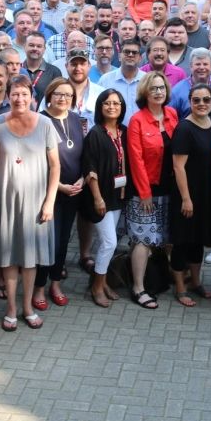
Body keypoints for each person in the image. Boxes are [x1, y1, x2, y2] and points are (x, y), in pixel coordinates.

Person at [0, 75, 59, 331]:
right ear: (8, 96)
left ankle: (28, 306)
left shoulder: (45, 124)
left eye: (24, 94)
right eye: (15, 94)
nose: (19, 99)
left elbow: (55, 166)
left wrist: (50, 201)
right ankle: (10, 307)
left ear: (33, 98)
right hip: (5, 199)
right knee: (9, 256)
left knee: (30, 257)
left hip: (36, 202)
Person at [124, 72, 179, 309]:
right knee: (143, 239)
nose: (158, 92)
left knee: (167, 238)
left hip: (170, 187)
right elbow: (135, 159)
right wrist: (145, 192)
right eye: (154, 88)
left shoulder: (172, 114)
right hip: (146, 190)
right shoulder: (137, 120)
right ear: (145, 92)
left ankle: (166, 278)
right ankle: (138, 287)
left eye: (162, 88)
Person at [33, 78, 87, 310]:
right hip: (49, 193)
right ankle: (38, 288)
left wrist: (82, 179)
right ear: (49, 95)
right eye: (58, 94)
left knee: (64, 241)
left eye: (68, 95)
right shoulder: (41, 121)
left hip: (73, 192)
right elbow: (35, 162)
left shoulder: (75, 119)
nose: (63, 98)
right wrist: (59, 187)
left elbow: (83, 154)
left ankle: (55, 284)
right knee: (48, 243)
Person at [169, 83, 211, 306]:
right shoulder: (184, 129)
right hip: (186, 195)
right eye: (196, 100)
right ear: (189, 102)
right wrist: (186, 199)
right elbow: (178, 167)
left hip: (206, 194)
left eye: (206, 100)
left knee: (198, 241)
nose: (201, 104)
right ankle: (180, 289)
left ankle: (196, 282)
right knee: (182, 241)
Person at [82, 89, 130, 308]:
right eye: (107, 103)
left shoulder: (125, 131)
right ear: (100, 107)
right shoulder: (95, 133)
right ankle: (96, 287)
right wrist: (97, 198)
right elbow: (89, 168)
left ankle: (102, 282)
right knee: (110, 242)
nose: (112, 107)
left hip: (118, 195)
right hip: (100, 197)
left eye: (116, 103)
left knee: (108, 243)